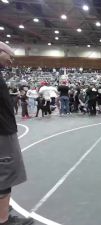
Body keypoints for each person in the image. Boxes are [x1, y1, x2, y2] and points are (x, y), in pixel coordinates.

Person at [0, 41, 34, 225]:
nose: (11, 60)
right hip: (2, 132)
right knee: (4, 174)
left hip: (4, 129)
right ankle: (4, 220)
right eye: (9, 55)